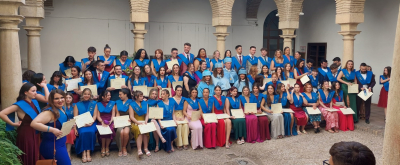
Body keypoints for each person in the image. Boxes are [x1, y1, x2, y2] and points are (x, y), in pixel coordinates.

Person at [0, 83, 41, 165]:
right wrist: (13, 123)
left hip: (36, 131)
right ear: (25, 92)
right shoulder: (20, 105)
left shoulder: (35, 102)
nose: (36, 93)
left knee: (36, 153)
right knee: (28, 153)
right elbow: (2, 113)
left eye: (36, 91)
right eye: (33, 91)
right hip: (26, 133)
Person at [31, 89, 72, 165]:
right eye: (56, 98)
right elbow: (34, 123)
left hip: (60, 143)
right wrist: (52, 129)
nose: (60, 100)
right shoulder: (49, 112)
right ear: (52, 100)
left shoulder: (61, 107)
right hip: (52, 146)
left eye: (62, 97)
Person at [74, 88, 97, 162]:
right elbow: (75, 117)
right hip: (81, 124)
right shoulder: (77, 104)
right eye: (85, 94)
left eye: (88, 94)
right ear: (82, 95)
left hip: (91, 123)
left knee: (91, 132)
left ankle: (88, 152)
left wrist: (91, 123)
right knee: (83, 133)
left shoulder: (94, 103)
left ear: (90, 95)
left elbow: (95, 116)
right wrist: (75, 129)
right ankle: (83, 153)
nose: (86, 95)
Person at [95, 90, 116, 158]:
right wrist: (101, 122)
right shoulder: (98, 104)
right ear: (103, 97)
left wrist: (110, 121)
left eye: (110, 95)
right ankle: (103, 147)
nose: (109, 97)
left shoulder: (112, 103)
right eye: (107, 95)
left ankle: (107, 147)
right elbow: (97, 115)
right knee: (103, 130)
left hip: (110, 120)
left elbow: (113, 114)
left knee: (110, 129)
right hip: (101, 120)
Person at [129, 90, 150, 157]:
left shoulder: (145, 103)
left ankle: (146, 148)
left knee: (145, 129)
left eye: (142, 96)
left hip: (144, 121)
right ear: (136, 97)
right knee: (139, 130)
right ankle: (139, 149)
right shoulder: (132, 105)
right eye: (140, 96)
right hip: (135, 122)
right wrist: (138, 123)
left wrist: (146, 121)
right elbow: (131, 117)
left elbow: (147, 114)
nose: (142, 97)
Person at [115, 88, 134, 156]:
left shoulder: (131, 102)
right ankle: (120, 148)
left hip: (128, 120)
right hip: (120, 120)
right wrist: (117, 120)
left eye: (120, 94)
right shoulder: (117, 102)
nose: (119, 96)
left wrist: (131, 119)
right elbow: (117, 113)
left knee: (126, 132)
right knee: (121, 132)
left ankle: (124, 147)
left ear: (125, 94)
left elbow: (132, 114)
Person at [172, 86, 189, 150]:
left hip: (182, 114)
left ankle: (185, 143)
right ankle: (178, 143)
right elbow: (171, 110)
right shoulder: (171, 99)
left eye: (180, 90)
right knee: (178, 126)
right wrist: (175, 117)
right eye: (178, 90)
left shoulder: (184, 99)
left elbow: (185, 109)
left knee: (185, 125)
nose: (179, 92)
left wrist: (183, 116)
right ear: (175, 91)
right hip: (174, 115)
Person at [64, 92, 76, 159]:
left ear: (72, 98)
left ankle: (68, 151)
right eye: (66, 98)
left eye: (69, 98)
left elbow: (77, 117)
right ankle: (65, 151)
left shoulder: (75, 106)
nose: (68, 99)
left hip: (73, 125)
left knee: (70, 133)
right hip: (64, 125)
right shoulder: (61, 106)